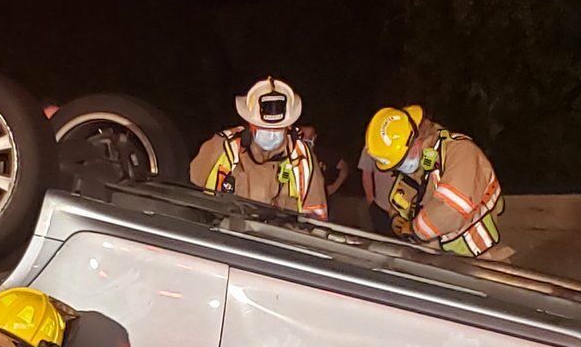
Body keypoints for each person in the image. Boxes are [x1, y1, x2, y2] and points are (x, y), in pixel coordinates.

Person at [361, 105, 507, 258]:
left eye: (401, 162)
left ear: (415, 140)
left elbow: (451, 208)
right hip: (443, 261)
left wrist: (413, 229)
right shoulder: (422, 161)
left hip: (481, 260)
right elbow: (402, 197)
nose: (401, 168)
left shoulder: (461, 152)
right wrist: (395, 218)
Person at [190, 77, 329, 220]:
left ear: (289, 126)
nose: (271, 134)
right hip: (224, 236)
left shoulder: (302, 158)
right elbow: (191, 196)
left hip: (278, 238)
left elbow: (316, 218)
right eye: (263, 128)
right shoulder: (223, 146)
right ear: (250, 123)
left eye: (277, 129)